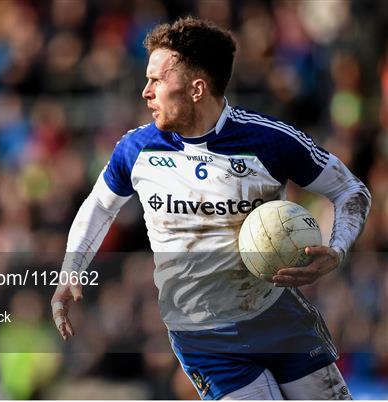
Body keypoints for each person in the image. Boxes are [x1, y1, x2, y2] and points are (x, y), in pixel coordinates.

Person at [51, 17, 371, 400]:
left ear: (197, 89)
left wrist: (337, 249)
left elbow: (351, 191)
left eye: (157, 80)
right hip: (203, 336)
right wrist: (72, 268)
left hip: (280, 317)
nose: (145, 92)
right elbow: (99, 206)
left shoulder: (269, 140)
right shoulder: (136, 150)